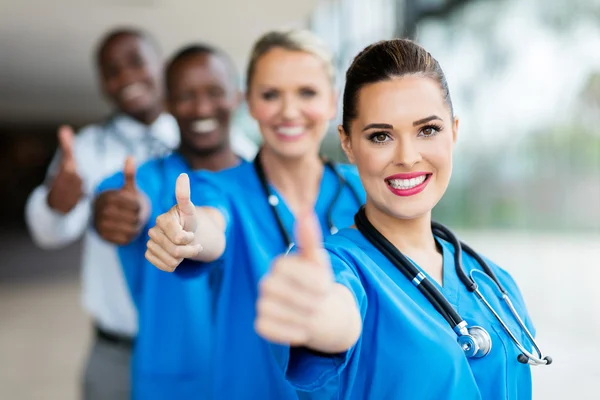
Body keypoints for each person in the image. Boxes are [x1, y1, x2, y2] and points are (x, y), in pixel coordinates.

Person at [254, 38, 550, 399]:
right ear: (347, 143)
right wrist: (319, 316)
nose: (407, 157)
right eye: (381, 136)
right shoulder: (341, 269)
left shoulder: (492, 280)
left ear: (454, 131)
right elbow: (335, 317)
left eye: (427, 130)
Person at [144, 29, 365, 399]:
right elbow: (210, 226)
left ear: (331, 102)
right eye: (270, 95)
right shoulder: (222, 189)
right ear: (248, 103)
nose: (289, 111)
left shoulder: (364, 190)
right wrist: (187, 231)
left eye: (306, 93)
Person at [24, 28, 180, 400]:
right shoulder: (86, 148)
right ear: (102, 84)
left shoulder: (203, 137)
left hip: (193, 345)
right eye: (112, 71)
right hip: (116, 352)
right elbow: (51, 233)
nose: (126, 77)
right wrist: (55, 203)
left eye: (136, 63)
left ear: (161, 66)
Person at [93, 43, 252, 400]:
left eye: (214, 92)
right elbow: (114, 203)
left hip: (256, 380)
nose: (201, 108)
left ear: (237, 97)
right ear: (166, 103)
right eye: (185, 96)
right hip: (171, 383)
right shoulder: (146, 181)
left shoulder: (265, 183)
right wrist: (114, 210)